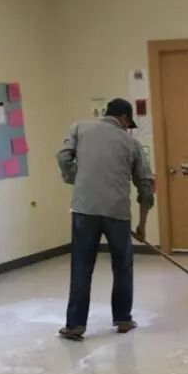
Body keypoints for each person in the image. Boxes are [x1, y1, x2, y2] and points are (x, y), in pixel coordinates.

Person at [57, 98, 154, 339]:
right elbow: (145, 187)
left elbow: (63, 157)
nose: (126, 127)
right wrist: (142, 225)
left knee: (81, 266)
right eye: (127, 123)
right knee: (122, 267)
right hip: (117, 213)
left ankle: (75, 325)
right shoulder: (131, 144)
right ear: (123, 118)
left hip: (84, 210)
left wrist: (74, 179)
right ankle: (122, 319)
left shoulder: (79, 128)